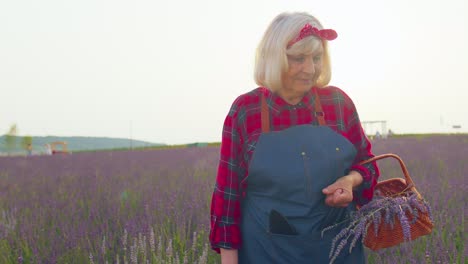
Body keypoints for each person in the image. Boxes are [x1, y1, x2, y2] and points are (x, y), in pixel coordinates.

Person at [209, 11, 380, 263]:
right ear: (274, 59)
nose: (310, 69)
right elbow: (227, 197)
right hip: (266, 252)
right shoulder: (247, 111)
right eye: (298, 58)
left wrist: (349, 180)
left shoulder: (337, 103)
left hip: (336, 250)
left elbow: (367, 166)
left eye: (317, 58)